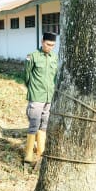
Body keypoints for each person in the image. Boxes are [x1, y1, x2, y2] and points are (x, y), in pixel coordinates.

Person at [23, 31, 58, 163]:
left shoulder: (54, 57)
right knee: (34, 123)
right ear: (42, 41)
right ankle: (28, 154)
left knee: (44, 124)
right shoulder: (32, 56)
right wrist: (33, 89)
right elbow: (26, 76)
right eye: (48, 44)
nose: (50, 47)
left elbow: (55, 77)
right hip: (37, 95)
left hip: (49, 97)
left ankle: (40, 151)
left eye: (53, 45)